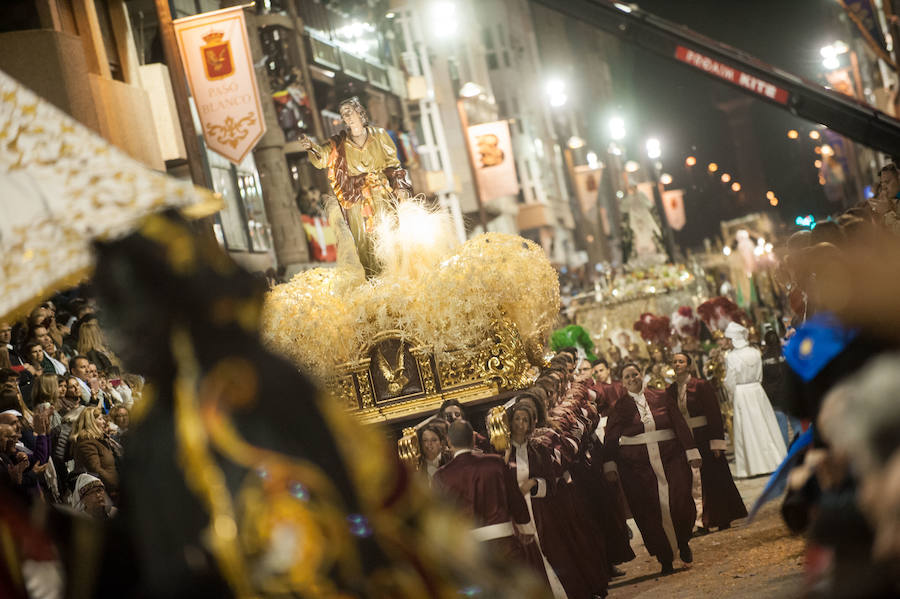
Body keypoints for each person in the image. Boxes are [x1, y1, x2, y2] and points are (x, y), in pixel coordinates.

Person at [299, 97, 412, 277]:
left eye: (350, 112)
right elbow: (322, 158)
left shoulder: (379, 135)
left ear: (360, 113)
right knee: (363, 241)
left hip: (381, 195)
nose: (348, 117)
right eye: (344, 114)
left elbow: (393, 163)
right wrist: (311, 147)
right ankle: (373, 278)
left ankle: (397, 274)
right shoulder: (339, 143)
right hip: (357, 200)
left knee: (388, 234)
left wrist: (399, 186)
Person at [603, 363, 700, 574]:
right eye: (627, 376)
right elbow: (611, 437)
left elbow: (679, 423)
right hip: (639, 469)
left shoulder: (662, 397)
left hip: (671, 459)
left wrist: (691, 451)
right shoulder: (619, 408)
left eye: (634, 374)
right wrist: (609, 464)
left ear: (641, 375)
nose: (632, 379)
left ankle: (683, 542)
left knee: (680, 501)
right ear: (622, 381)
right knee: (649, 511)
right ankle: (664, 557)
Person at [507, 400, 606, 599]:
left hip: (541, 509)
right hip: (516, 513)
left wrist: (534, 484)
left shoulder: (539, 449)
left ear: (531, 424)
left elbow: (551, 483)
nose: (520, 424)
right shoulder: (503, 453)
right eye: (517, 419)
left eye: (525, 420)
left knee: (554, 551)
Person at [432, 420, 539, 567]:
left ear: (448, 441)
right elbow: (514, 496)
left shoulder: (441, 476)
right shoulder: (495, 462)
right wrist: (525, 527)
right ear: (473, 439)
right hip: (504, 541)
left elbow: (441, 516)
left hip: (471, 551)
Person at [669, 353, 747, 533]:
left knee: (714, 478)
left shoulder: (701, 386)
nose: (677, 364)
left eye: (681, 361)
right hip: (687, 440)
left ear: (688, 365)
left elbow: (713, 413)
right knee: (693, 481)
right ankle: (701, 521)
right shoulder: (671, 390)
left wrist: (717, 442)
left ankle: (722, 517)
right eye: (674, 362)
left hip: (704, 437)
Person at [723, 322, 787, 478]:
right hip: (757, 390)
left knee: (747, 428)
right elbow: (760, 375)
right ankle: (775, 460)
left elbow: (730, 379)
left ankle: (752, 466)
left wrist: (731, 393)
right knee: (765, 425)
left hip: (741, 392)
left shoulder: (730, 357)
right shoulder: (755, 351)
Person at [761, 330, 802, 447]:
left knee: (781, 428)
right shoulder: (787, 354)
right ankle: (802, 450)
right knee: (796, 424)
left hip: (775, 399)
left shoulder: (763, 359)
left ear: (766, 343)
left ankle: (787, 454)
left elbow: (762, 379)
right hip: (790, 394)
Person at [71, 406, 119, 500]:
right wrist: (115, 484)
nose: (104, 422)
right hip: (104, 493)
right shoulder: (86, 441)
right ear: (91, 422)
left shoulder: (98, 439)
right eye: (100, 419)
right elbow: (95, 469)